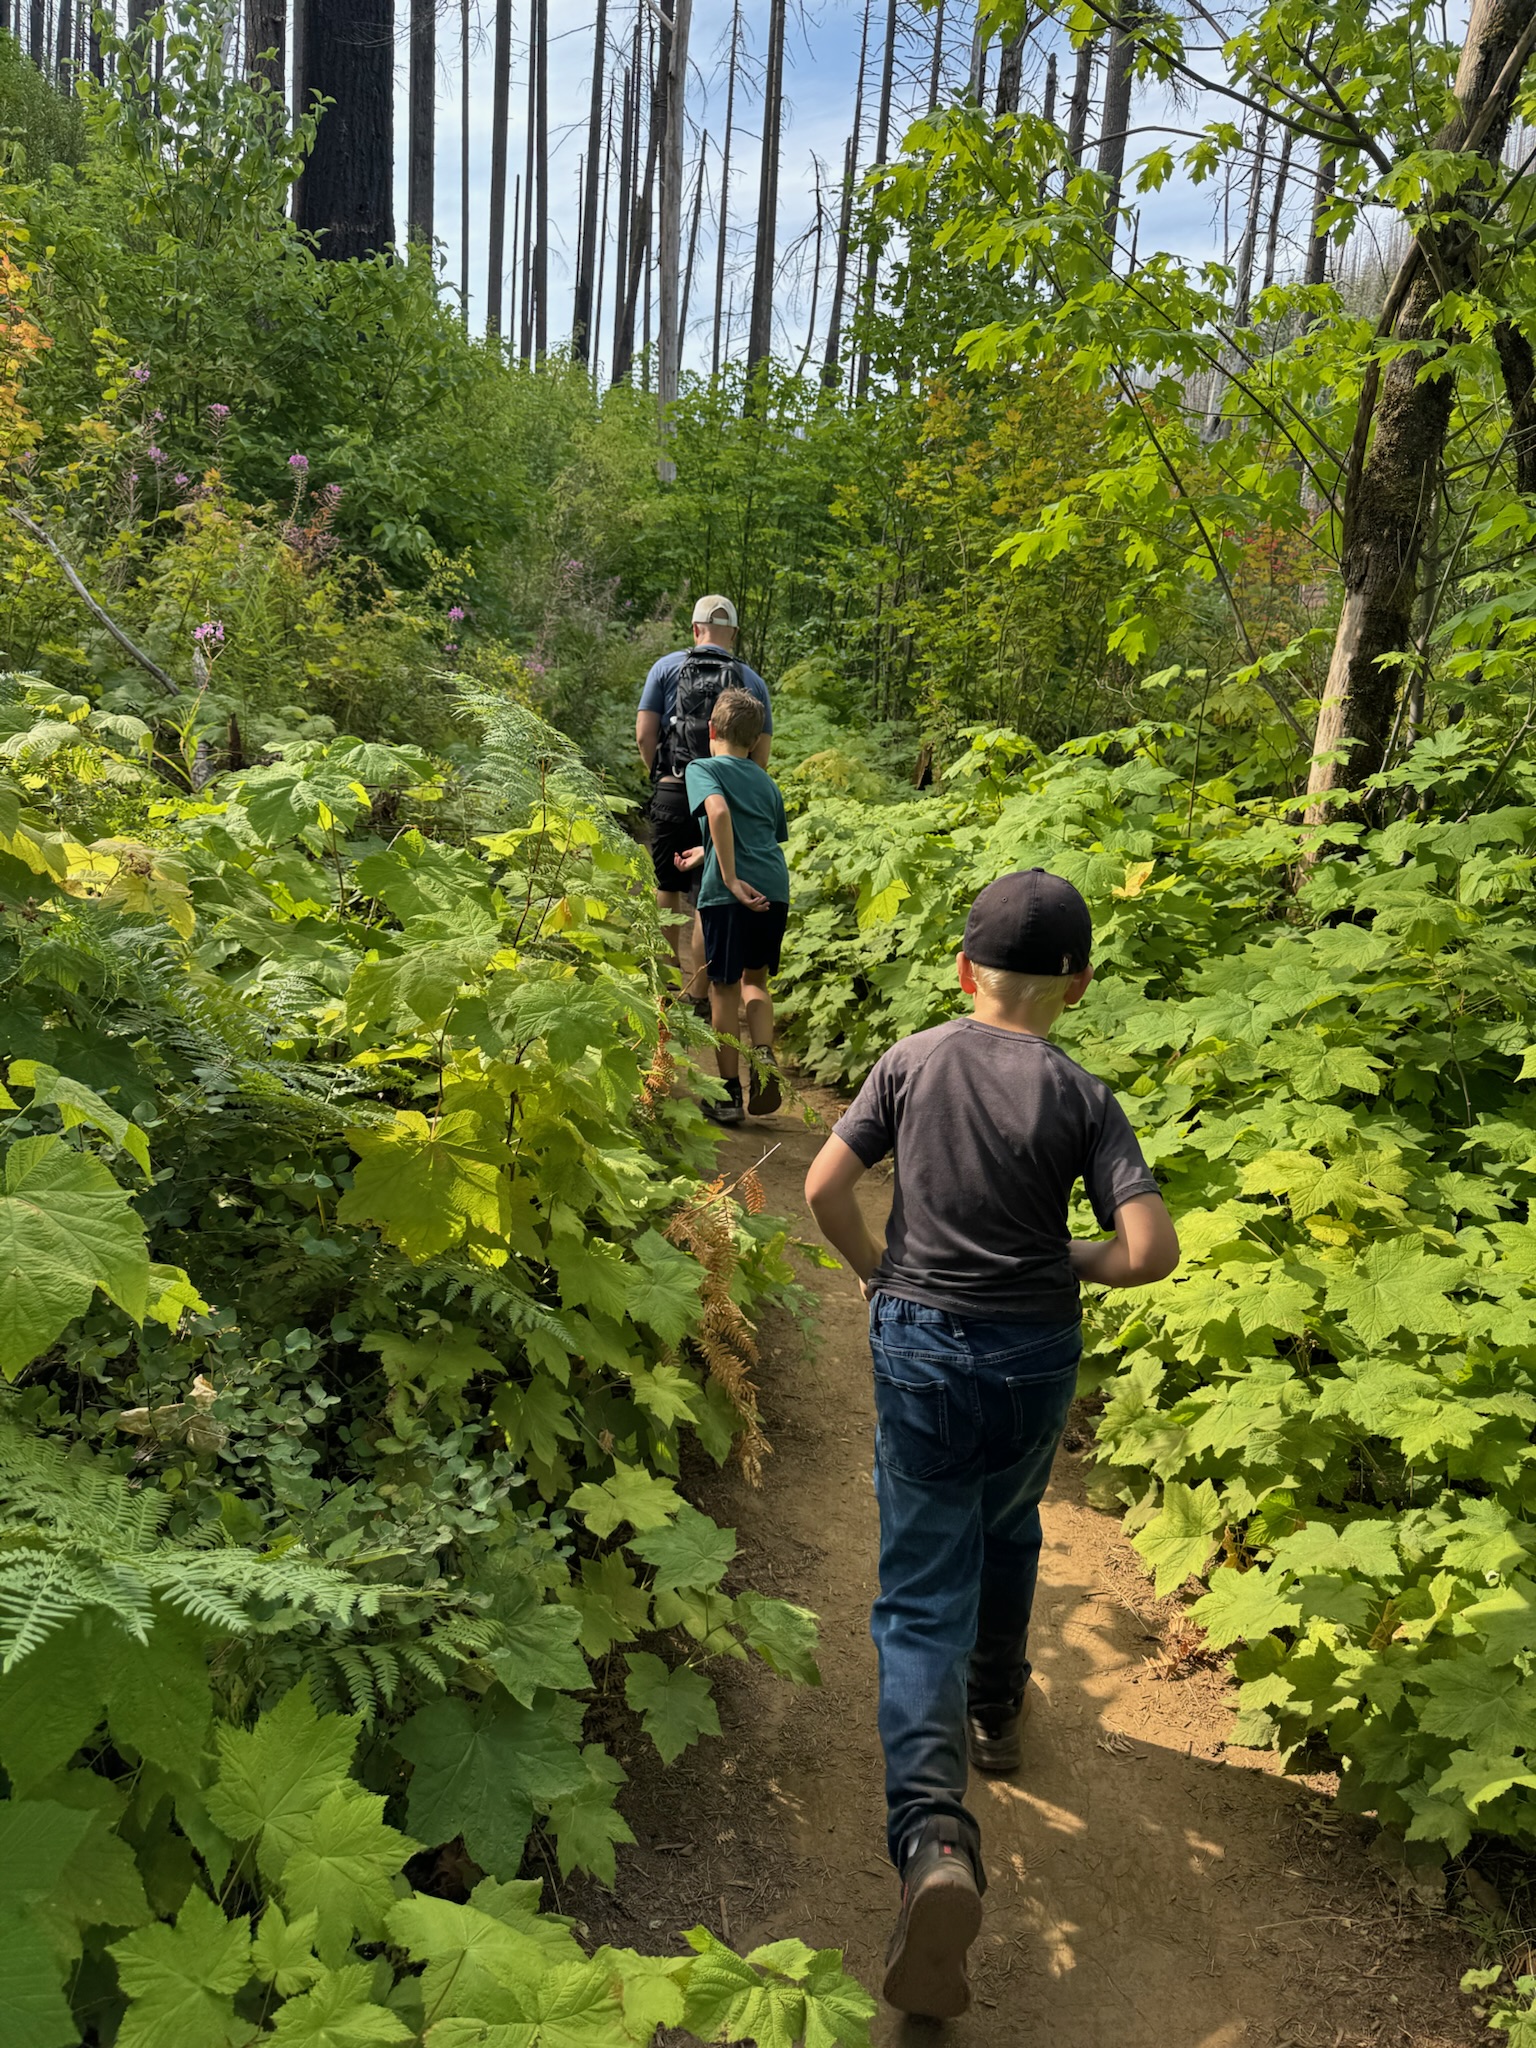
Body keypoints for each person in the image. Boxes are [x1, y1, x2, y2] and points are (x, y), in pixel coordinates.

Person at [802, 870, 1180, 2021]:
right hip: (1033, 1356)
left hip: (921, 1341)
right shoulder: (1083, 1094)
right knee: (1011, 1523)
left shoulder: (912, 1060)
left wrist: (880, 1275)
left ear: (965, 969)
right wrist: (1065, 1258)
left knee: (922, 1591)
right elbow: (1149, 1249)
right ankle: (999, 1709)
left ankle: (933, 1839)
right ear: (1079, 983)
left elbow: (824, 1187)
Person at [635, 596, 772, 1012]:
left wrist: (662, 776)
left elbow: (644, 734)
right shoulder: (751, 680)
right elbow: (761, 755)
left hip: (674, 789)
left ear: (695, 629)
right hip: (723, 795)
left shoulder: (666, 668)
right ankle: (698, 995)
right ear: (733, 633)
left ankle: (664, 988)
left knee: (666, 887)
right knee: (704, 895)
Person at [673, 688, 787, 1126]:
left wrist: (730, 878)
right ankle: (763, 1055)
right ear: (756, 741)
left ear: (711, 730)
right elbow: (758, 836)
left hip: (729, 895)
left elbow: (719, 814)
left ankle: (727, 1095)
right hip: (773, 887)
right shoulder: (765, 781)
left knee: (722, 988)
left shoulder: (703, 768)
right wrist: (706, 852)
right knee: (755, 981)